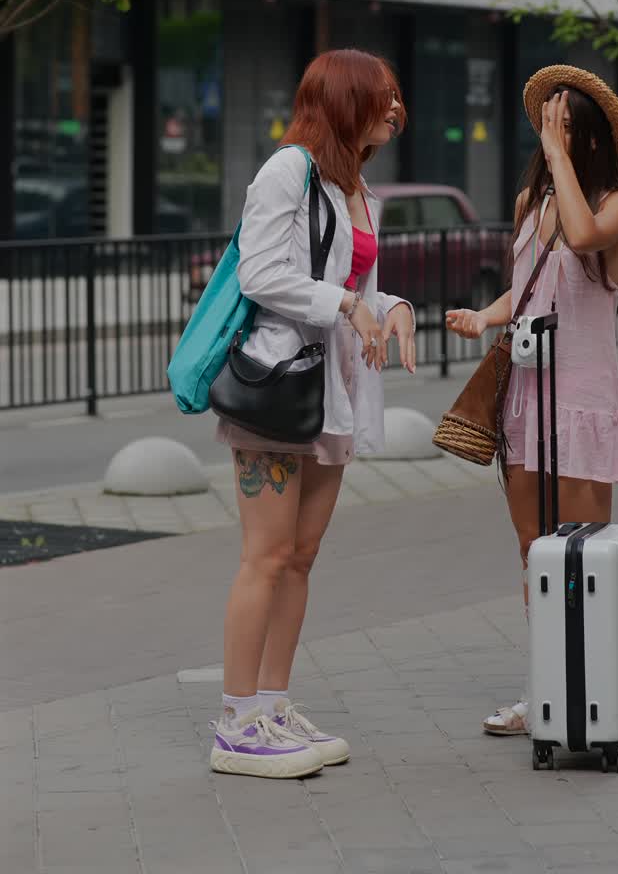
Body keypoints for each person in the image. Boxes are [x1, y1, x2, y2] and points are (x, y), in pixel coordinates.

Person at [211, 48, 416, 778]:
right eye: (381, 97)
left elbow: (358, 281)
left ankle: (271, 705)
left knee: (300, 557)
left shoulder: (356, 188)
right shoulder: (286, 172)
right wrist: (350, 304)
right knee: (265, 557)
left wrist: (393, 308)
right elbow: (263, 274)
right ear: (342, 101)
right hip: (278, 384)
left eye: (397, 98)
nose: (395, 109)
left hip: (334, 391)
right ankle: (236, 725)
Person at [446, 65, 618, 737]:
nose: (548, 129)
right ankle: (547, 693)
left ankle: (590, 692)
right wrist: (485, 316)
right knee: (534, 550)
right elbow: (530, 287)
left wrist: (559, 156)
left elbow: (585, 239)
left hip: (583, 398)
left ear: (585, 134)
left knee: (582, 550)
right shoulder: (533, 201)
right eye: (546, 120)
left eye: (562, 120)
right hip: (529, 396)